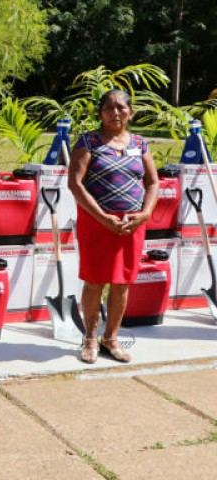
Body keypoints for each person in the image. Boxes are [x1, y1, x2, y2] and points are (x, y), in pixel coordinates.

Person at [68, 89, 159, 364]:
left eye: (121, 107)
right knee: (95, 281)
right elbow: (75, 184)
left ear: (130, 112)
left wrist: (144, 214)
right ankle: (90, 339)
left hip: (132, 225)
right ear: (100, 113)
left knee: (122, 283)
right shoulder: (89, 141)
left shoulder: (140, 144)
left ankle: (111, 339)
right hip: (97, 222)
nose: (115, 112)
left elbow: (153, 182)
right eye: (109, 107)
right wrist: (103, 217)